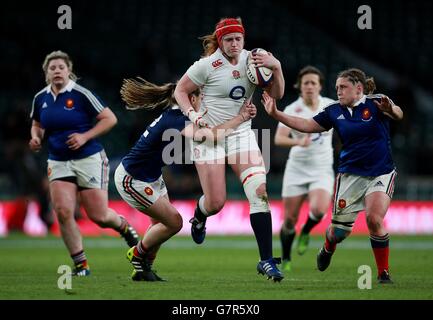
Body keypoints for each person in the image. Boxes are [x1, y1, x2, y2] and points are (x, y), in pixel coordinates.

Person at [262, 68, 403, 283]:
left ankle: (383, 273)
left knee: (374, 219)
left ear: (358, 88)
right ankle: (328, 247)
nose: (338, 91)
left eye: (343, 87)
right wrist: (275, 114)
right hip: (350, 176)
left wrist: (391, 110)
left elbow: (399, 114)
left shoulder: (377, 102)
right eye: (336, 87)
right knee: (338, 232)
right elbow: (308, 125)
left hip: (381, 172)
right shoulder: (333, 111)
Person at [174, 17, 286, 281]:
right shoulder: (206, 65)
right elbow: (180, 90)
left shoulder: (256, 60)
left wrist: (277, 68)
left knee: (259, 191)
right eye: (228, 39)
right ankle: (200, 216)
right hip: (209, 135)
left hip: (240, 134)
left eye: (238, 38)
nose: (234, 44)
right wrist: (192, 114)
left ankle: (266, 261)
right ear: (220, 41)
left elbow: (278, 94)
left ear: (244, 39)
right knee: (215, 203)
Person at [117, 77, 257, 281]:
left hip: (151, 177)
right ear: (191, 98)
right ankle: (138, 254)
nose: (204, 102)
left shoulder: (176, 115)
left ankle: (143, 270)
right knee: (174, 223)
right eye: (202, 97)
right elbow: (212, 136)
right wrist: (241, 117)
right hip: (132, 179)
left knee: (159, 226)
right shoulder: (177, 119)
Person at [29, 50, 139, 276]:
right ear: (46, 73)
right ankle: (81, 265)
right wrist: (36, 137)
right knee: (62, 211)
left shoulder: (81, 94)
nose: (57, 70)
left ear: (69, 71)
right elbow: (37, 123)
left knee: (98, 216)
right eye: (53, 68)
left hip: (88, 158)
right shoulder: (41, 98)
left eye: (61, 67)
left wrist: (85, 136)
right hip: (58, 160)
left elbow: (110, 118)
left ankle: (124, 227)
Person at [273, 66, 335, 272]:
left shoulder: (330, 106)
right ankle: (286, 257)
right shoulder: (292, 109)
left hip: (322, 167)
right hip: (297, 167)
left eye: (313, 83)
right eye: (305, 83)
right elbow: (279, 139)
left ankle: (307, 230)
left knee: (318, 210)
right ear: (299, 86)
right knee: (289, 220)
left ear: (320, 86)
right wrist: (298, 143)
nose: (309, 86)